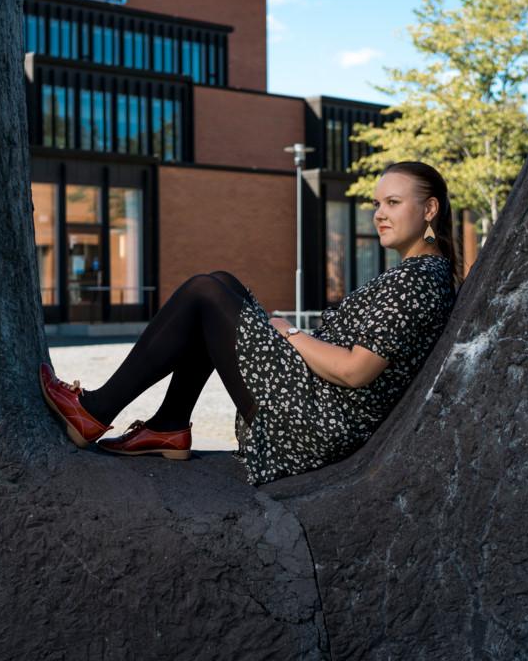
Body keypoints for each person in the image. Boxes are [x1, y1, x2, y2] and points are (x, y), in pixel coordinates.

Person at [39, 160, 461, 485]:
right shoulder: (425, 274)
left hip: (318, 422)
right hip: (321, 406)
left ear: (430, 209)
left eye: (393, 203)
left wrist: (290, 333)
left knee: (207, 292)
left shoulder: (417, 280)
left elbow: (355, 371)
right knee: (222, 284)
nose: (379, 214)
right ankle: (169, 424)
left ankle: (96, 410)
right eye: (376, 204)